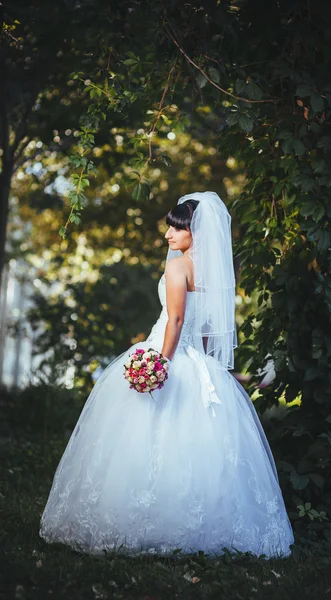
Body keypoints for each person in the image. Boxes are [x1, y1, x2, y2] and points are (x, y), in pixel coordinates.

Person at [39, 191, 294, 557]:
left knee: (139, 440)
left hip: (167, 351)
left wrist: (160, 364)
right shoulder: (214, 273)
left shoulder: (178, 267)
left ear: (195, 232)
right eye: (169, 230)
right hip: (197, 361)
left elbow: (174, 321)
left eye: (175, 230)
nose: (168, 237)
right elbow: (205, 333)